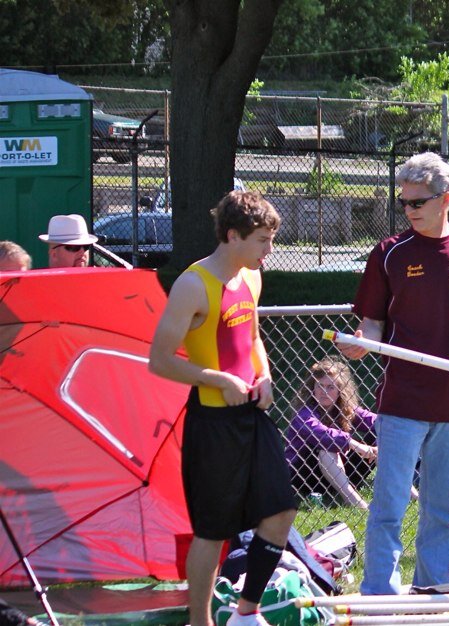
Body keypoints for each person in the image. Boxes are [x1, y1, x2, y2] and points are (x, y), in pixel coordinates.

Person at [337, 152, 449, 595]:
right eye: (403, 203)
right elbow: (371, 323)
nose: (408, 211)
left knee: (441, 508)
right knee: (389, 506)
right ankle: (380, 596)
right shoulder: (389, 254)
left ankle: (433, 592)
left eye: (417, 203)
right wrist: (360, 341)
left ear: (445, 199)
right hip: (402, 402)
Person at [148, 190, 297, 626]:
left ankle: (246, 613)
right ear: (232, 235)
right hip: (211, 423)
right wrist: (217, 379)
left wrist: (264, 376)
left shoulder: (251, 276)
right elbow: (159, 361)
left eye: (271, 240)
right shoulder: (193, 284)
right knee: (213, 533)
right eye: (262, 241)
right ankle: (201, 621)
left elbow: (251, 338)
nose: (269, 250)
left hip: (251, 415)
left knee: (282, 511)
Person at [284, 358, 379, 510]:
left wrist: (388, 435)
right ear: (312, 388)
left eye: (331, 387)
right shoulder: (303, 413)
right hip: (304, 477)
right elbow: (321, 433)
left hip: (341, 474)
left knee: (383, 434)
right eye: (320, 386)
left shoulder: (345, 409)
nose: (324, 392)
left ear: (340, 390)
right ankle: (357, 503)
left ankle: (410, 493)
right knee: (327, 444)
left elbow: (374, 421)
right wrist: (356, 445)